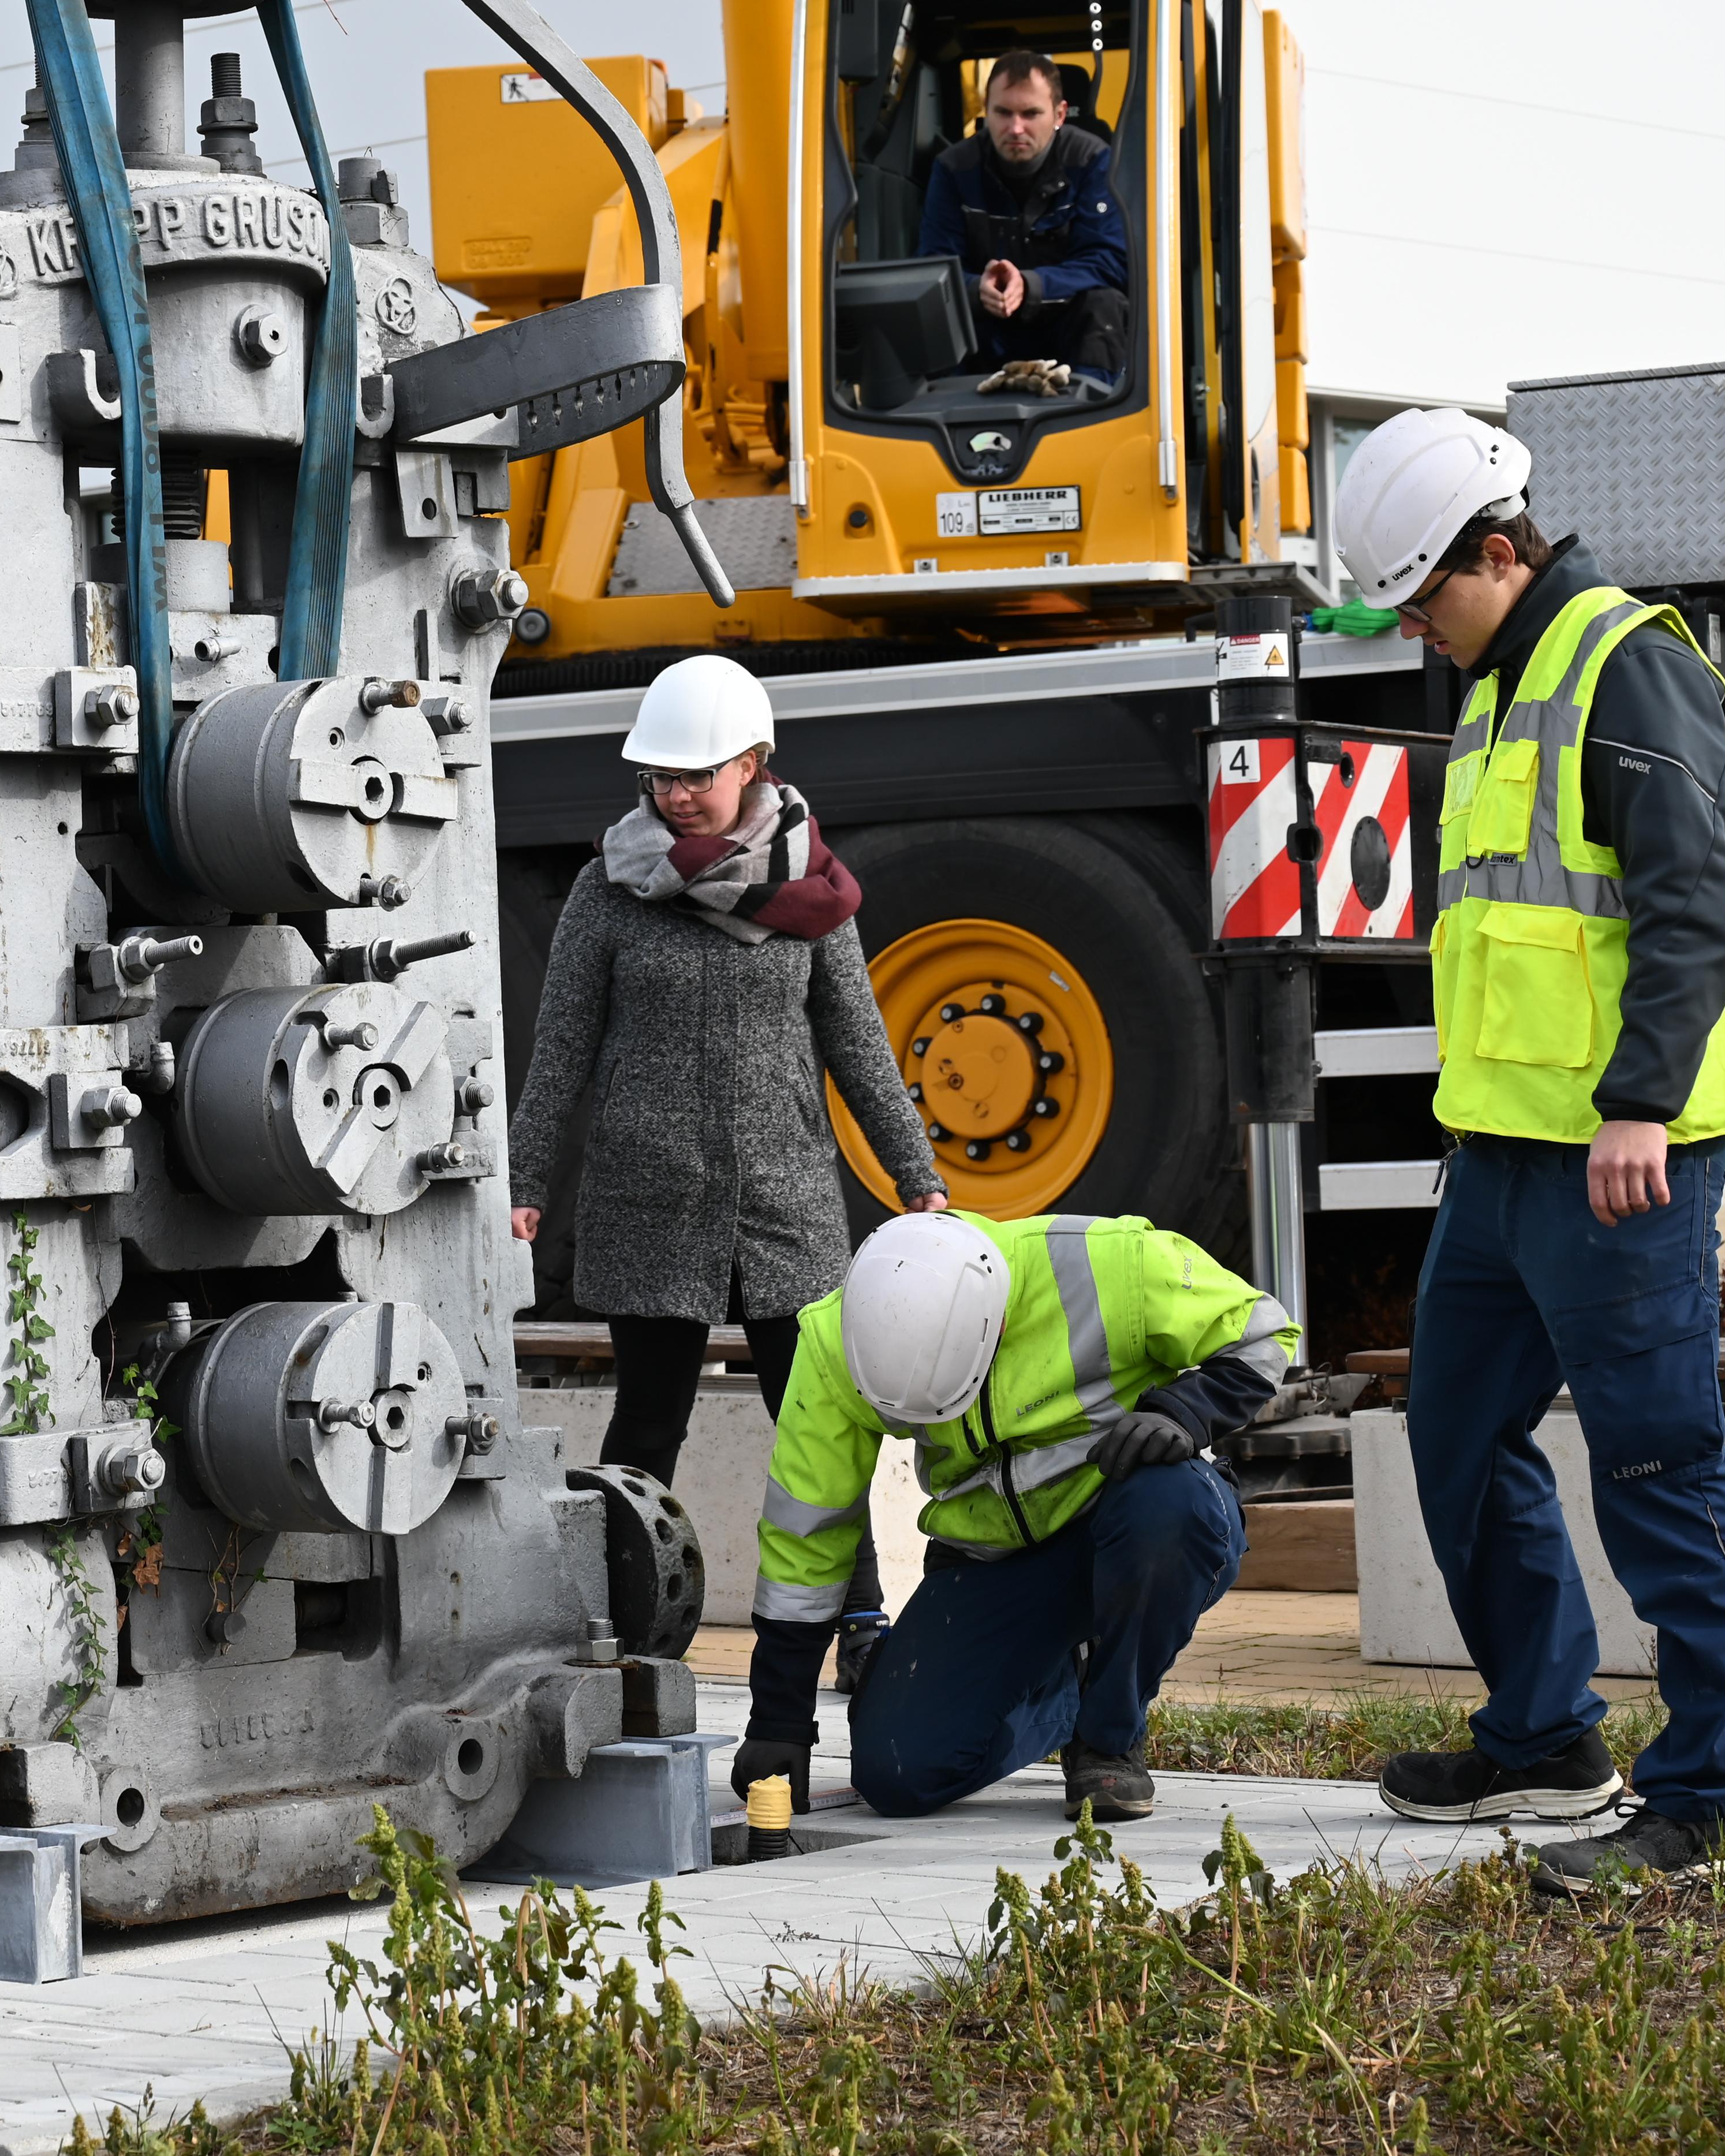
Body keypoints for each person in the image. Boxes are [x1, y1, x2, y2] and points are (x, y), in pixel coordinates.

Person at [1341, 406, 1725, 1897]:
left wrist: (1642, 1103)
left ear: (1502, 551)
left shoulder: (1625, 663)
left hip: (1624, 1159)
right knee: (1457, 1440)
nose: (1415, 628)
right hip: (1509, 1160)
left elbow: (1693, 904)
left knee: (1660, 1463)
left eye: (1424, 598)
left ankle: (1713, 1806)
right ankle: (1543, 1737)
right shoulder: (1500, 676)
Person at [508, 654, 947, 1677]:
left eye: (693, 774)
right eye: (657, 775)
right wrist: (527, 1180)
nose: (672, 793)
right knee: (647, 1418)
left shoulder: (808, 886)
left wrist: (913, 1173)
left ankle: (859, 1624)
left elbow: (855, 1039)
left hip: (784, 1199)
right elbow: (562, 1042)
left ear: (752, 764)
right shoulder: (606, 886)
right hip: (646, 1194)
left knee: (817, 1419)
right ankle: (618, 1621)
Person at [734, 1208, 1291, 1823]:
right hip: (994, 1561)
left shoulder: (1111, 1264)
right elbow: (807, 1536)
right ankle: (1061, 1691)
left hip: (1136, 1523)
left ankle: (1107, 1737)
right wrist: (779, 1718)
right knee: (898, 1775)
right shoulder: (834, 1344)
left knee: (1171, 1511)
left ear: (996, 1323)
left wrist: (1184, 1411)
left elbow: (1265, 1332)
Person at [914, 48, 1129, 394]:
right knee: (940, 305)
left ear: (1060, 115)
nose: (1015, 128)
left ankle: (1093, 405)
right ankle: (947, 408)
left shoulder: (1092, 160)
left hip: (1067, 324)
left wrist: (1031, 286)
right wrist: (975, 288)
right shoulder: (953, 168)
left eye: (1031, 114)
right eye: (1003, 113)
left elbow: (1111, 263)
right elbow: (933, 266)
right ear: (986, 110)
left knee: (1105, 303)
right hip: (987, 329)